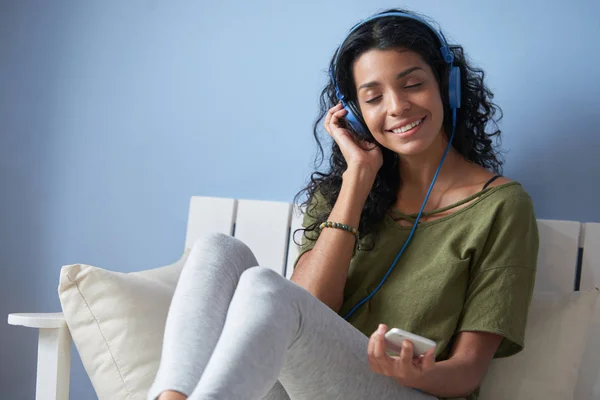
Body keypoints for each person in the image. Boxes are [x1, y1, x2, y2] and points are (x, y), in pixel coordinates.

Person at [148, 8, 539, 400]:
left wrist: (414, 372)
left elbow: (468, 373)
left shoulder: (501, 206)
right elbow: (309, 304)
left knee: (263, 285)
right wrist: (358, 178)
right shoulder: (342, 191)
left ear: (446, 85)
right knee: (220, 248)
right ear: (354, 113)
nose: (397, 106)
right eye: (373, 97)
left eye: (413, 84)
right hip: (308, 384)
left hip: (409, 392)